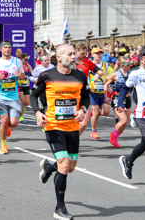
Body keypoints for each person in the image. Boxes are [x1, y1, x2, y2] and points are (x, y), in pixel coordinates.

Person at [30, 44, 89, 220]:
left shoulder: (80, 75)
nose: (74, 57)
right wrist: (37, 112)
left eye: (74, 54)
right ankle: (60, 208)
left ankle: (49, 167)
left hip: (73, 127)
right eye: (70, 54)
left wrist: (83, 110)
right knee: (63, 165)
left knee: (70, 167)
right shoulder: (47, 75)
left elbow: (86, 96)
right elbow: (33, 95)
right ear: (59, 58)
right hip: (53, 126)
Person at [0, 39, 25, 154]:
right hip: (0, 96)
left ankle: (6, 127)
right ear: (1, 49)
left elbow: (23, 76)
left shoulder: (17, 61)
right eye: (5, 47)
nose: (7, 49)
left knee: (13, 123)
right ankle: (3, 145)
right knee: (4, 121)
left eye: (9, 47)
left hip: (13, 96)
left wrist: (20, 76)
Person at [118, 46, 145, 180]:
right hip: (143, 115)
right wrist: (120, 104)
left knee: (144, 144)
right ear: (143, 59)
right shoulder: (137, 74)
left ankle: (128, 161)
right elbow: (125, 88)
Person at [74, 43, 104, 137]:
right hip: (71, 94)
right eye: (81, 53)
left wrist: (97, 75)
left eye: (85, 53)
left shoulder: (88, 62)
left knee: (84, 122)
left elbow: (101, 72)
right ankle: (69, 140)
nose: (83, 56)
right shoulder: (71, 62)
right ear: (76, 52)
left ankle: (73, 140)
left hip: (84, 93)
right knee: (70, 120)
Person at [104, 56, 131, 148]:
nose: (129, 66)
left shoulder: (131, 74)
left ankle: (114, 137)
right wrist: (106, 96)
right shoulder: (115, 74)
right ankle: (113, 135)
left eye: (129, 64)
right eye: (127, 64)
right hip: (117, 99)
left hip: (127, 99)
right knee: (123, 121)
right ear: (122, 65)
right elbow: (106, 84)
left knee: (125, 122)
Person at [85, 47, 110, 139]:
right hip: (93, 92)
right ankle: (93, 131)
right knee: (96, 112)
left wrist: (108, 85)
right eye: (97, 53)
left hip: (102, 91)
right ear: (92, 55)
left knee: (106, 112)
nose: (99, 55)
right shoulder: (89, 64)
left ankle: (93, 115)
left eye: (100, 53)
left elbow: (106, 77)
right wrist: (88, 86)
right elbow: (85, 76)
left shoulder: (105, 64)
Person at [18, 53, 33, 122]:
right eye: (25, 59)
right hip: (19, 85)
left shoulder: (27, 65)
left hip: (26, 85)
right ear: (22, 59)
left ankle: (22, 106)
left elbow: (33, 72)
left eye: (28, 59)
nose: (27, 60)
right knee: (23, 101)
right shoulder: (18, 65)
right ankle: (21, 116)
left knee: (27, 103)